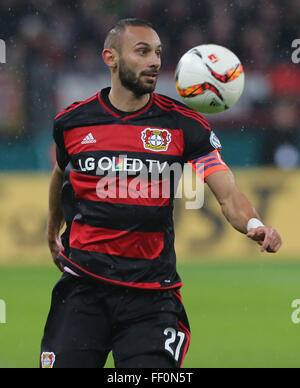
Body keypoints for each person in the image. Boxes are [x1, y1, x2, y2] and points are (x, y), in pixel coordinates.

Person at [40, 18, 282, 369]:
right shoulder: (73, 122)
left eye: (157, 53)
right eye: (142, 52)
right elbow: (62, 173)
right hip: (82, 289)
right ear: (111, 57)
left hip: (151, 299)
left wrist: (254, 223)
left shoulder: (184, 125)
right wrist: (51, 230)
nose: (154, 61)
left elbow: (227, 194)